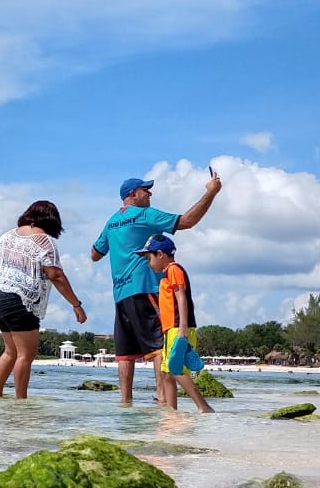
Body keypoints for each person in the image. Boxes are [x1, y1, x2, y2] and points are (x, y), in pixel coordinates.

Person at [91, 169, 222, 404]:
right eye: (145, 189)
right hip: (146, 289)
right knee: (157, 346)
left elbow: (94, 254)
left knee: (125, 353)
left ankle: (125, 403)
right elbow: (187, 221)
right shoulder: (145, 215)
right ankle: (162, 399)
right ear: (133, 194)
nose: (150, 192)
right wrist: (211, 193)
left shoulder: (111, 222)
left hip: (120, 294)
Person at [0, 200, 87, 398]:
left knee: (10, 352)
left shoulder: (6, 236)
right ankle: (21, 402)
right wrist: (76, 304)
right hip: (20, 300)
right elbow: (56, 276)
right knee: (25, 355)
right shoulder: (44, 241)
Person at [134, 233, 214, 413]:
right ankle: (171, 413)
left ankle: (204, 407)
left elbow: (181, 296)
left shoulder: (173, 269)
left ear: (160, 254)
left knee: (176, 370)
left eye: (149, 258)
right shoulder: (166, 274)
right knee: (166, 373)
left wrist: (182, 328)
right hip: (170, 329)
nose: (148, 263)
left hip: (178, 328)